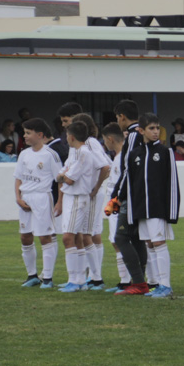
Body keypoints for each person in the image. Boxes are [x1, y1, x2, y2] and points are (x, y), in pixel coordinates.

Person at [127, 113, 180, 298]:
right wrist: (131, 212)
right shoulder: (134, 155)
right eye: (151, 128)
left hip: (158, 208)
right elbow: (130, 184)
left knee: (158, 243)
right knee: (149, 244)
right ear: (141, 130)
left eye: (157, 128)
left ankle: (166, 285)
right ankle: (155, 282)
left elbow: (172, 183)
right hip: (142, 209)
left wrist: (171, 212)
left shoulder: (165, 153)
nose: (156, 132)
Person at [55, 121, 109, 292]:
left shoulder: (85, 152)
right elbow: (64, 174)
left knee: (69, 237)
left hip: (78, 197)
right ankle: (79, 279)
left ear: (71, 137)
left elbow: (68, 178)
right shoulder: (77, 152)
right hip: (73, 196)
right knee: (76, 237)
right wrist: (63, 176)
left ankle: (78, 279)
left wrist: (62, 177)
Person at [106, 99, 150, 296]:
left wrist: (118, 195)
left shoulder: (133, 136)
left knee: (121, 237)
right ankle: (139, 280)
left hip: (131, 195)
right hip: (140, 193)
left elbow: (128, 170)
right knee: (136, 237)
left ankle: (139, 283)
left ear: (122, 117)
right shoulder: (140, 134)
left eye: (118, 117)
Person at [15, 118, 62, 289]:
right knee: (25, 236)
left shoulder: (50, 154)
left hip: (42, 197)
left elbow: (60, 180)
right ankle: (32, 275)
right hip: (25, 198)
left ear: (40, 135)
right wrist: (18, 198)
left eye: (28, 133)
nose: (24, 136)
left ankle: (48, 278)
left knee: (44, 236)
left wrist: (60, 202)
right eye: (24, 132)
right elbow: (18, 177)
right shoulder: (24, 154)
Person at [100, 123, 133, 293]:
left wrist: (114, 205)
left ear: (110, 139)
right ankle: (124, 280)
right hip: (113, 205)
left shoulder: (123, 157)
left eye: (105, 140)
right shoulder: (118, 156)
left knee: (119, 242)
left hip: (118, 205)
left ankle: (127, 280)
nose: (105, 143)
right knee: (115, 241)